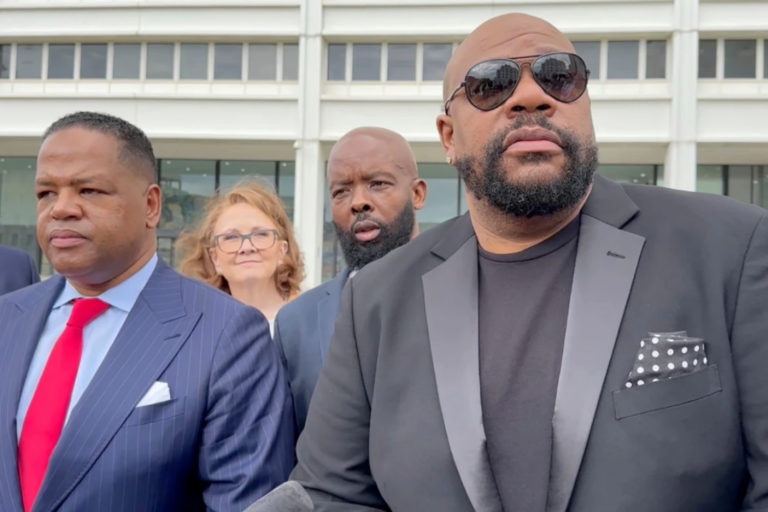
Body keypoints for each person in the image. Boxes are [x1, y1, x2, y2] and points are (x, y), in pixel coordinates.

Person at [290, 13, 768, 512]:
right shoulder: (377, 300)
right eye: (491, 85)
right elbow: (333, 496)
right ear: (449, 137)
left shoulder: (731, 249)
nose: (531, 96)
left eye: (559, 76)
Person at [0, 112, 294, 512]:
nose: (61, 209)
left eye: (88, 190)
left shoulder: (226, 334)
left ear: (151, 205)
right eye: (46, 193)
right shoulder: (7, 318)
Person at [273, 126, 427, 435]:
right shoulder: (295, 323)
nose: (358, 202)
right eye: (341, 191)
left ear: (417, 194)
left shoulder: (468, 295)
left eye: (377, 184)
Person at [176, 179, 304, 335]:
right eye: (231, 237)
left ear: (282, 251)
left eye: (260, 234)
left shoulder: (312, 320)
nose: (247, 247)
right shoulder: (194, 330)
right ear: (215, 258)